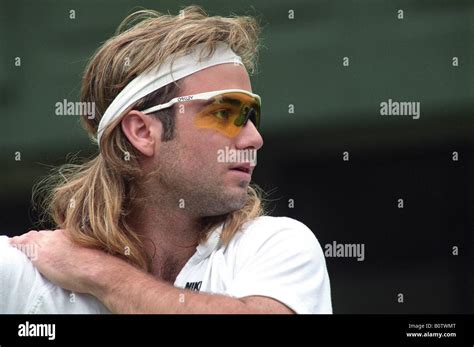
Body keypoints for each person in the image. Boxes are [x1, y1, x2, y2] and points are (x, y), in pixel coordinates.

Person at [2, 6, 332, 314]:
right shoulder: (25, 274)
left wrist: (98, 273)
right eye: (223, 112)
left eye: (251, 115)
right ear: (143, 132)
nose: (254, 138)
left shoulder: (275, 246)